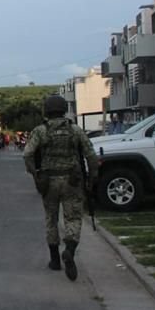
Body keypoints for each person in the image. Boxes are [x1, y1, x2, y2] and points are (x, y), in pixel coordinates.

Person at [23, 94, 99, 281]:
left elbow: (27, 154)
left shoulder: (40, 131)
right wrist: (92, 178)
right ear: (64, 109)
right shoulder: (75, 130)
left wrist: (36, 173)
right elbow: (91, 155)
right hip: (72, 180)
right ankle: (70, 250)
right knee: (73, 218)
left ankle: (55, 260)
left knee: (51, 219)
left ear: (46, 111)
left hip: (49, 181)